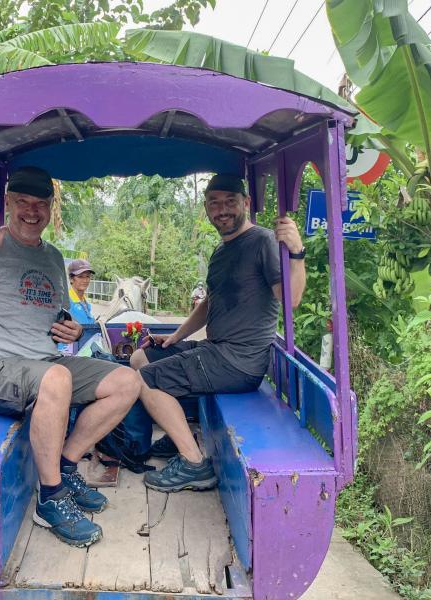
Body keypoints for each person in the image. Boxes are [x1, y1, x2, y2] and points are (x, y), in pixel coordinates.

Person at [0, 166, 142, 548]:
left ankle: (66, 463)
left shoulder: (53, 257)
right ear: (8, 204)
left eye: (40, 203)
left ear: (49, 208)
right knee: (55, 379)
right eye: (23, 202)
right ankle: (50, 497)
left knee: (127, 380)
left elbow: (59, 316)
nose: (32, 211)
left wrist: (73, 330)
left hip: (44, 365)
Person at [130, 173, 306, 493]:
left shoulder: (263, 241)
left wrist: (296, 253)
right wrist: (175, 338)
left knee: (144, 381)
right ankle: (181, 433)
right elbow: (210, 303)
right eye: (214, 204)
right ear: (207, 209)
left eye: (230, 202)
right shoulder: (222, 251)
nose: (222, 210)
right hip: (215, 351)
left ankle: (194, 464)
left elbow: (291, 299)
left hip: (239, 361)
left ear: (246, 204)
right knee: (140, 357)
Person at [67, 259, 95, 324]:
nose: (85, 280)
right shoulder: (66, 303)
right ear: (71, 279)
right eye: (80, 277)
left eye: (87, 276)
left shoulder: (85, 301)